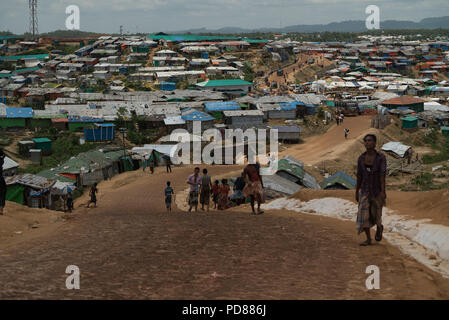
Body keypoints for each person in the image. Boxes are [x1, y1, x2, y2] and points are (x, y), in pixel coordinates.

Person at [356, 134, 387, 246]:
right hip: (364, 190)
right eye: (366, 141)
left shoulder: (381, 158)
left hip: (377, 190)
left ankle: (379, 227)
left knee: (376, 214)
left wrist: (383, 191)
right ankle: (368, 239)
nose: (367, 142)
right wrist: (356, 191)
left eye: (370, 140)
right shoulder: (361, 158)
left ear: (375, 143)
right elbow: (359, 176)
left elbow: (382, 175)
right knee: (364, 215)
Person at [0, 150, 6, 215]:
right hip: (0, 179)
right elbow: (4, 155)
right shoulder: (1, 161)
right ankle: (1, 208)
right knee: (2, 192)